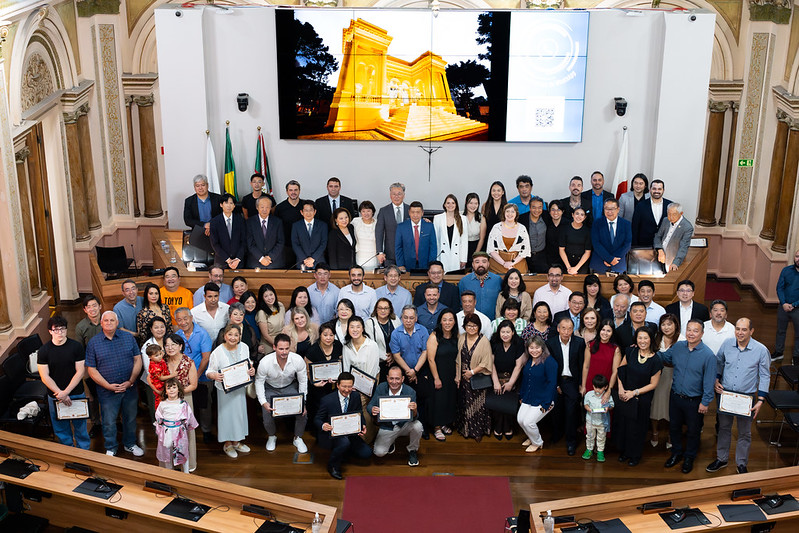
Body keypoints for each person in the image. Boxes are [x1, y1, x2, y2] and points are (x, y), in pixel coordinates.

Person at [707, 318, 770, 474]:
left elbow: (765, 375)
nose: (740, 333)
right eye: (738, 329)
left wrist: (761, 399)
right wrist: (716, 378)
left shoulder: (761, 350)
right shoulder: (727, 344)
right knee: (724, 428)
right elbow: (719, 362)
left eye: (744, 330)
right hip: (726, 394)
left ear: (751, 331)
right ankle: (721, 459)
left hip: (746, 398)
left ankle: (741, 463)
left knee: (744, 432)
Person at [85, 311, 144, 457]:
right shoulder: (94, 343)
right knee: (109, 421)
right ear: (101, 323)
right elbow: (91, 369)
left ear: (117, 323)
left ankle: (130, 444)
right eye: (106, 321)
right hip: (107, 392)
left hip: (129, 388)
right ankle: (111, 447)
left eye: (112, 320)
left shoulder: (128, 338)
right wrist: (107, 385)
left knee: (130, 418)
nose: (109, 323)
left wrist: (130, 381)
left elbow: (138, 359)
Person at [661, 319, 716, 474]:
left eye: (695, 330)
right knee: (674, 427)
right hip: (675, 396)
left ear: (702, 333)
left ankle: (689, 457)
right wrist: (644, 350)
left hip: (695, 400)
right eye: (689, 330)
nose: (691, 333)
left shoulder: (708, 355)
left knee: (693, 430)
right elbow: (664, 358)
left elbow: (709, 381)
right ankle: (676, 453)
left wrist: (705, 402)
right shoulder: (678, 347)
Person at [38, 316, 90, 450]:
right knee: (61, 429)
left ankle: (83, 453)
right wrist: (60, 394)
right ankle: (68, 452)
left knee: (81, 428)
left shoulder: (76, 347)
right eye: (56, 330)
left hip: (76, 393)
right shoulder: (44, 351)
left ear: (66, 330)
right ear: (50, 331)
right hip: (55, 396)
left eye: (62, 329)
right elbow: (45, 376)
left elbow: (80, 372)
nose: (60, 332)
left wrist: (66, 392)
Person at [614, 327, 663, 466]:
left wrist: (634, 393)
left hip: (642, 398)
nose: (642, 341)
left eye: (645, 338)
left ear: (651, 340)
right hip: (625, 395)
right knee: (624, 426)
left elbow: (653, 384)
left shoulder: (656, 360)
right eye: (639, 338)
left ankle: (635, 455)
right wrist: (621, 389)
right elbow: (620, 370)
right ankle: (624, 452)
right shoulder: (630, 351)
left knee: (637, 428)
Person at [206, 323, 255, 458]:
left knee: (239, 415)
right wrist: (214, 375)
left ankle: (237, 441)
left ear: (239, 337)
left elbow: (249, 362)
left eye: (236, 335)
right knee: (227, 416)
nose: (233, 338)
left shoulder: (244, 347)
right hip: (224, 391)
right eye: (230, 334)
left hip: (240, 388)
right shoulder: (217, 352)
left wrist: (252, 369)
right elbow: (209, 371)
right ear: (224, 336)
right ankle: (227, 443)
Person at [255, 333, 309, 454]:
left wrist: (303, 401)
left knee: (303, 412)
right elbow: (259, 382)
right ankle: (272, 436)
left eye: (286, 348)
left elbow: (303, 380)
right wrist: (263, 402)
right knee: (267, 414)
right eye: (281, 349)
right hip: (270, 387)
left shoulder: (297, 360)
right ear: (274, 347)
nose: (284, 352)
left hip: (289, 386)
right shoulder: (265, 362)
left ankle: (298, 438)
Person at [315, 371, 371, 480]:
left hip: (351, 433)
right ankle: (333, 466)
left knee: (366, 453)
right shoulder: (327, 400)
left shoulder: (355, 396)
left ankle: (344, 452)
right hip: (333, 434)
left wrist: (362, 425)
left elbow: (359, 413)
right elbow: (317, 419)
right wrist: (323, 425)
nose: (346, 390)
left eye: (349, 386)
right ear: (337, 385)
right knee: (344, 443)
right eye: (344, 386)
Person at [173, 307, 214, 445]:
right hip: (183, 379)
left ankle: (206, 431)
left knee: (204, 405)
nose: (183, 322)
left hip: (201, 376)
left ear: (191, 318)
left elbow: (205, 358)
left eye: (185, 318)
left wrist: (195, 376)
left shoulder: (202, 333)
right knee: (187, 405)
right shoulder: (177, 335)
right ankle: (189, 431)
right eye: (179, 319)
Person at [546, 317, 586, 455]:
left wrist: (582, 384)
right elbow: (549, 366)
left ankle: (571, 442)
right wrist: (556, 384)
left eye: (569, 329)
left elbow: (582, 365)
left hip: (572, 381)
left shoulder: (579, 342)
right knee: (556, 410)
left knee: (571, 412)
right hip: (556, 380)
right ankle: (557, 434)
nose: (566, 331)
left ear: (573, 330)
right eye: (563, 328)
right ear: (558, 329)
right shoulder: (550, 343)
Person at [368, 365, 423, 466]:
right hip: (387, 426)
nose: (394, 382)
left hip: (404, 424)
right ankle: (391, 441)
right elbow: (370, 405)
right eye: (391, 378)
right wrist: (372, 409)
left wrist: (414, 410)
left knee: (418, 426)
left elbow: (415, 417)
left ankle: (412, 450)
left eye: (397, 379)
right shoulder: (381, 387)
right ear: (387, 378)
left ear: (402, 379)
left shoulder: (410, 391)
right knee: (379, 453)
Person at [390, 306, 432, 435]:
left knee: (423, 399)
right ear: (401, 318)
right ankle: (405, 429)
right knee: (405, 401)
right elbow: (396, 355)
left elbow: (425, 351)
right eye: (405, 317)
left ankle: (423, 428)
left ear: (416, 318)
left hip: (421, 370)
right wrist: (409, 371)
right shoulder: (396, 333)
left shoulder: (422, 330)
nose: (408, 320)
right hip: (404, 373)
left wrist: (415, 370)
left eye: (411, 318)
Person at [160, 334, 199, 471]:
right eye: (167, 345)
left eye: (173, 345)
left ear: (181, 346)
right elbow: (153, 378)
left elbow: (193, 385)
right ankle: (168, 464)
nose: (170, 348)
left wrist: (178, 395)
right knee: (165, 432)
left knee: (185, 433)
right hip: (165, 400)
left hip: (184, 399)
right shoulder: (162, 361)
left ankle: (187, 465)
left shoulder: (188, 362)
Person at [455, 313, 494, 441]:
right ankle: (465, 430)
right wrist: (458, 376)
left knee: (478, 406)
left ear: (479, 327)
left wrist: (471, 372)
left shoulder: (484, 341)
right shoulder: (461, 337)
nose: (471, 328)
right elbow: (457, 359)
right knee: (464, 405)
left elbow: (486, 362)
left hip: (477, 378)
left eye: (474, 326)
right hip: (463, 378)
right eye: (469, 325)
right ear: (464, 326)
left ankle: (478, 431)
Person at [517, 336, 558, 452]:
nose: (534, 350)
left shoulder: (550, 362)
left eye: (537, 347)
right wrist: (522, 396)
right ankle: (531, 437)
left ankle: (537, 442)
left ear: (542, 348)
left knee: (529, 422)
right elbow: (525, 380)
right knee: (520, 420)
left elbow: (552, 384)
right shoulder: (529, 360)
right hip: (529, 397)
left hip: (544, 399)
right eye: (531, 348)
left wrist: (546, 403)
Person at [650, 313, 682, 448]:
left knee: (671, 408)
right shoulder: (656, 338)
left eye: (669, 324)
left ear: (676, 325)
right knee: (655, 405)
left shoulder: (682, 340)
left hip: (675, 376)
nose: (666, 327)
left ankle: (670, 435)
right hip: (657, 375)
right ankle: (655, 432)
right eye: (663, 324)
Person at [489, 320, 526, 440]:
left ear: (513, 332)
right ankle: (498, 427)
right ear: (499, 332)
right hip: (496, 377)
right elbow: (491, 364)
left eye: (508, 332)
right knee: (498, 402)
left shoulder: (519, 343)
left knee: (509, 402)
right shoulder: (494, 342)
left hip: (513, 378)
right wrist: (495, 382)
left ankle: (508, 427)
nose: (505, 334)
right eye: (502, 332)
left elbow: (518, 365)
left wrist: (511, 383)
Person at [304, 322, 343, 432]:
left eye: (331, 335)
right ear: (320, 335)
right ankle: (318, 430)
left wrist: (336, 379)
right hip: (316, 385)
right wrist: (314, 382)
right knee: (318, 407)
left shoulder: (338, 346)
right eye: (325, 335)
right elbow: (307, 371)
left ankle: (333, 428)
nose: (328, 338)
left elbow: (340, 363)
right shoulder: (313, 350)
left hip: (333, 384)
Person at [427, 309, 459, 441]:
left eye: (450, 319)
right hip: (438, 373)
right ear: (440, 321)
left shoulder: (456, 335)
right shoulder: (434, 336)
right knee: (438, 400)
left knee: (449, 399)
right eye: (445, 319)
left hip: (451, 374)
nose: (447, 322)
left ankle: (445, 423)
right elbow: (430, 359)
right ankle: (437, 427)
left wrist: (457, 376)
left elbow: (458, 358)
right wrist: (436, 378)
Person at [154, 379, 198, 473]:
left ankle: (186, 472)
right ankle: (169, 472)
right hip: (166, 432)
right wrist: (161, 429)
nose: (172, 390)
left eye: (174, 387)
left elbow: (189, 417)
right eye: (169, 388)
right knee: (167, 452)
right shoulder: (162, 404)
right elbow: (158, 417)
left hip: (180, 433)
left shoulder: (183, 404)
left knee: (183, 451)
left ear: (179, 389)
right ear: (165, 391)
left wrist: (185, 426)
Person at [581, 320, 621, 402]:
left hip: (606, 386)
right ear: (599, 330)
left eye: (608, 331)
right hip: (590, 384)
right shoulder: (590, 345)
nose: (605, 333)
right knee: (589, 410)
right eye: (603, 330)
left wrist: (609, 389)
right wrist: (583, 386)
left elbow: (615, 372)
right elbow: (586, 366)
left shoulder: (615, 349)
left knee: (606, 411)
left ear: (612, 332)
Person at [590, 198, 632, 274]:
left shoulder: (626, 224)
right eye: (606, 209)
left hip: (618, 264)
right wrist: (608, 258)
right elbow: (596, 243)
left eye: (612, 209)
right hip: (600, 264)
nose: (609, 212)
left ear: (618, 209)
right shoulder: (597, 223)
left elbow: (627, 244)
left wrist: (613, 260)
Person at [486, 203, 530, 274]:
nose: (510, 214)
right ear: (504, 213)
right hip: (497, 266)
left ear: (516, 214)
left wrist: (511, 263)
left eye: (512, 211)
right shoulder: (496, 227)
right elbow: (491, 249)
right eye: (507, 211)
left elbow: (525, 250)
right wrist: (504, 263)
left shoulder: (522, 228)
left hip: (517, 266)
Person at [458, 252, 503, 319]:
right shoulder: (464, 281)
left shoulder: (497, 280)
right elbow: (460, 303)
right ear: (473, 264)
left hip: (493, 322)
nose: (481, 264)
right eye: (477, 262)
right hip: (470, 323)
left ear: (488, 264)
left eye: (484, 262)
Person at [375, 182, 410, 266]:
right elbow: (379, 232)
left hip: (408, 253)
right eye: (393, 194)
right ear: (390, 195)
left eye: (399, 194)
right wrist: (379, 252)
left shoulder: (410, 210)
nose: (396, 197)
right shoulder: (384, 211)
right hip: (390, 254)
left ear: (404, 195)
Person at [246, 194, 285, 269]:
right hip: (256, 262)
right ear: (257, 207)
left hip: (274, 262)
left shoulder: (277, 222)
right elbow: (250, 243)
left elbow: (280, 242)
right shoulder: (249, 222)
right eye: (262, 207)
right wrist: (261, 258)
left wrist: (270, 257)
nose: (265, 210)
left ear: (270, 208)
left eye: (267, 207)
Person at [395, 201, 437, 271]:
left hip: (426, 265)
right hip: (407, 265)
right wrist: (400, 264)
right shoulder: (401, 227)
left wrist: (432, 264)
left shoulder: (429, 226)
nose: (415, 215)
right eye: (413, 212)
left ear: (422, 213)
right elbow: (398, 247)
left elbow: (433, 247)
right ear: (409, 213)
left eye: (418, 212)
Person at [774, 249, 799, 363]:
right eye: (797, 256)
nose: (798, 259)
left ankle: (796, 356)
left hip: (797, 308)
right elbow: (780, 288)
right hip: (783, 306)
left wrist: (794, 305)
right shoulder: (786, 270)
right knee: (780, 330)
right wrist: (783, 303)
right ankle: (779, 352)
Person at [209, 192, 247, 269]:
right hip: (221, 261)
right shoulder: (214, 221)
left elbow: (244, 242)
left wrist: (238, 259)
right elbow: (215, 244)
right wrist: (228, 259)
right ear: (221, 205)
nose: (229, 205)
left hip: (238, 261)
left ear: (234, 206)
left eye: (231, 203)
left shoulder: (241, 220)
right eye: (226, 203)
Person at [582, 374, 614, 462]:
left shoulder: (607, 396)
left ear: (605, 387)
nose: (597, 390)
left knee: (601, 437)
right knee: (590, 436)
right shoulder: (589, 394)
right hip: (590, 421)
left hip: (602, 422)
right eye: (595, 387)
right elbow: (585, 404)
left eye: (600, 388)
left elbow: (611, 406)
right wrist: (588, 408)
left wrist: (608, 408)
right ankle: (589, 449)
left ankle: (600, 451)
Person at [433, 194, 469, 273]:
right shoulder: (437, 218)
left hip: (457, 257)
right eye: (448, 203)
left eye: (453, 203)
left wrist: (463, 259)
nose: (450, 205)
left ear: (456, 205)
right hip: (442, 256)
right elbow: (435, 240)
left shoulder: (463, 219)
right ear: (444, 205)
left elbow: (464, 240)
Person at [366, 298, 401, 379]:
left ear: (390, 310)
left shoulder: (395, 319)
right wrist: (387, 358)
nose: (383, 311)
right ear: (376, 309)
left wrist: (394, 355)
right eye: (380, 308)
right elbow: (371, 346)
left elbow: (401, 340)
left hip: (397, 360)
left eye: (386, 308)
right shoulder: (370, 323)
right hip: (379, 362)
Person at [654, 202, 693, 272]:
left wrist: (675, 263)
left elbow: (683, 248)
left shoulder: (687, 227)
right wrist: (659, 250)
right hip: (659, 255)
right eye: (669, 214)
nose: (671, 217)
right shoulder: (665, 220)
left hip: (671, 259)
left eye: (674, 214)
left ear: (681, 213)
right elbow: (658, 236)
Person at [632, 179, 671, 247]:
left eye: (659, 189)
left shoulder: (670, 205)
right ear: (650, 190)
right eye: (654, 189)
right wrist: (635, 246)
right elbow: (635, 227)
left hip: (665, 245)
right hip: (644, 246)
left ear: (663, 190)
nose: (656, 191)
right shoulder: (641, 205)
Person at [291, 199, 327, 271]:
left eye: (311, 210)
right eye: (306, 210)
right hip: (302, 262)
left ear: (315, 211)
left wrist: (313, 258)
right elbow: (295, 244)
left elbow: (323, 243)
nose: (308, 213)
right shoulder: (296, 226)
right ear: (301, 212)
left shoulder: (322, 225)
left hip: (318, 261)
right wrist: (305, 259)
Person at [559, 207, 592, 275]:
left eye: (582, 215)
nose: (579, 216)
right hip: (566, 262)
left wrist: (576, 268)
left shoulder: (587, 231)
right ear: (572, 215)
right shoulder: (565, 229)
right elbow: (561, 249)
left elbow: (587, 252)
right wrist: (569, 268)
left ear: (585, 217)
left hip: (581, 264)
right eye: (577, 214)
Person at [256, 283, 286, 354]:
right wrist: (277, 345)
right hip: (269, 343)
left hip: (282, 340)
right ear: (262, 298)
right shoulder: (261, 313)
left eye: (271, 294)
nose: (270, 298)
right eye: (266, 296)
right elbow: (266, 336)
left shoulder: (280, 306)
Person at [351, 200, 382, 270]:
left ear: (373, 212)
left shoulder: (378, 223)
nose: (366, 213)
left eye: (368, 211)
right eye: (363, 211)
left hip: (373, 256)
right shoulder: (355, 221)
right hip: (360, 255)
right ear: (360, 212)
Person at [525, 197, 548, 273]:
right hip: (526, 256)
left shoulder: (546, 217)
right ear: (530, 208)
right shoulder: (522, 219)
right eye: (534, 207)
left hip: (542, 256)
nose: (537, 210)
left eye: (539, 207)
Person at [147, 344, 172, 410]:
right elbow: (161, 378)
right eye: (156, 355)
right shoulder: (154, 366)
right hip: (159, 386)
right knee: (160, 401)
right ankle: (159, 415)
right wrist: (172, 375)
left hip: (164, 384)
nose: (160, 356)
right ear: (150, 357)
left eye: (160, 354)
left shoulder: (159, 360)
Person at [463, 192, 485, 265]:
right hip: (462, 247)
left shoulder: (481, 217)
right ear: (466, 203)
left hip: (476, 246)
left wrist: (476, 254)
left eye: (476, 203)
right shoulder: (460, 216)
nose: (473, 206)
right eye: (471, 203)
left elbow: (482, 238)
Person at [545, 199, 567, 269]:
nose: (555, 212)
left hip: (564, 258)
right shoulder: (545, 222)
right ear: (549, 211)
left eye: (558, 210)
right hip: (548, 258)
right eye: (553, 210)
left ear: (562, 211)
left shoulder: (568, 223)